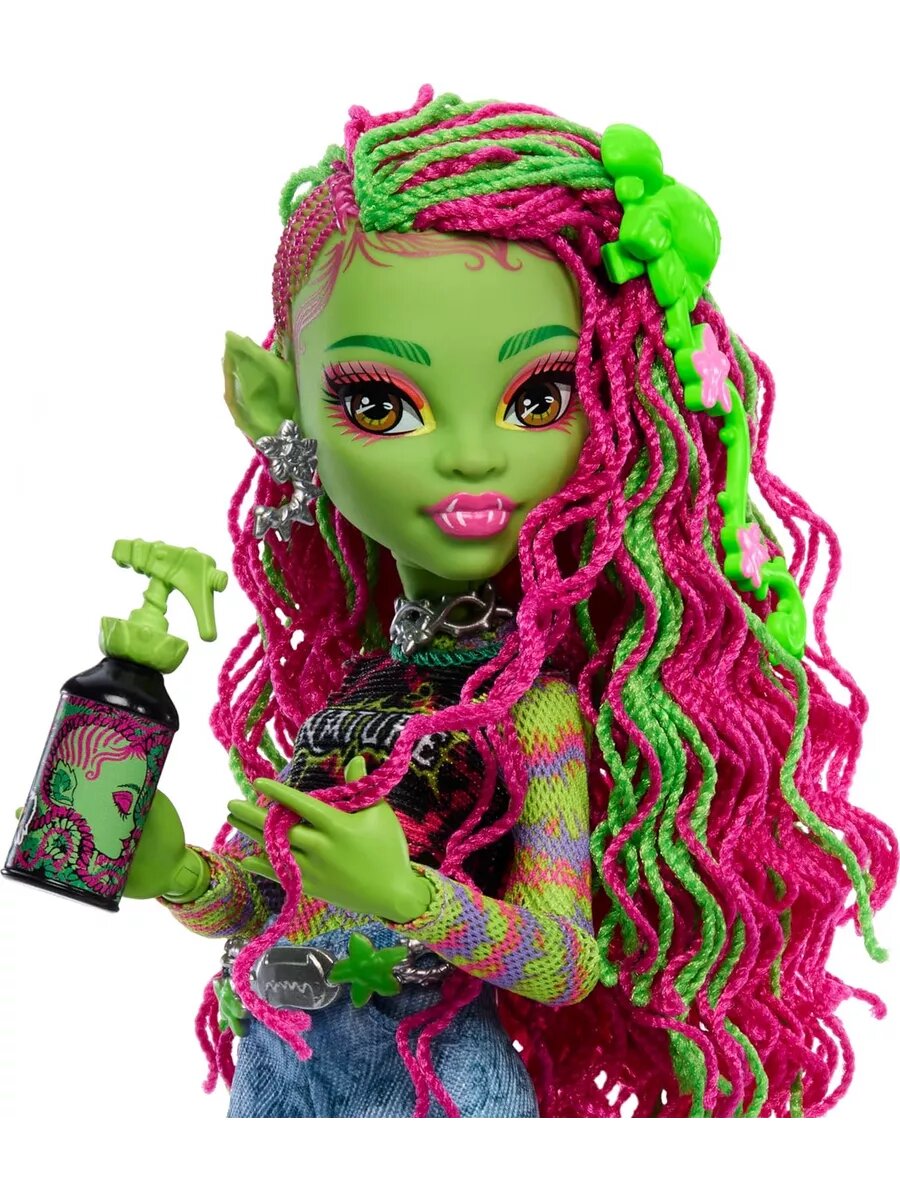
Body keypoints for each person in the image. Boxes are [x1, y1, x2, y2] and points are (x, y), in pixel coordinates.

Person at [124, 85, 897, 1118]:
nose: (473, 457)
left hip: (434, 1091)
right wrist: (180, 875)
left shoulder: (531, 706)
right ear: (270, 402)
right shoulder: (360, 679)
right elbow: (283, 903)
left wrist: (409, 897)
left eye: (537, 398)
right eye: (380, 404)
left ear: (611, 408)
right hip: (278, 1072)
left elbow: (562, 956)